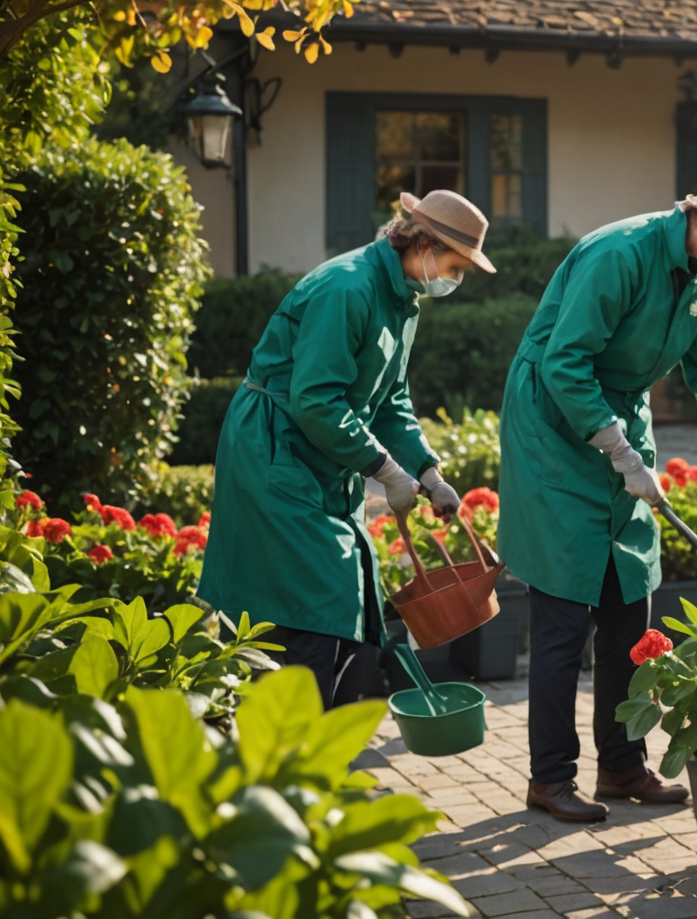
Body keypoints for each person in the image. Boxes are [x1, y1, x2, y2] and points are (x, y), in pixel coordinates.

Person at [500, 175, 697, 822]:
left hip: (617, 422)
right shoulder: (619, 255)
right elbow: (564, 363)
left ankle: (622, 766)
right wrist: (619, 451)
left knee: (627, 603)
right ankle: (549, 778)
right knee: (561, 614)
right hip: (554, 425)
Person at [201, 190, 487, 707]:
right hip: (275, 449)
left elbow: (391, 398)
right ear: (422, 243)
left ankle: (304, 755)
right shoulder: (347, 286)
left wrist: (426, 470)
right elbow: (315, 401)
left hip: (322, 454)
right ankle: (290, 760)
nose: (455, 278)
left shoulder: (404, 301)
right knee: (309, 607)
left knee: (331, 605)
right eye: (454, 264)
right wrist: (385, 469)